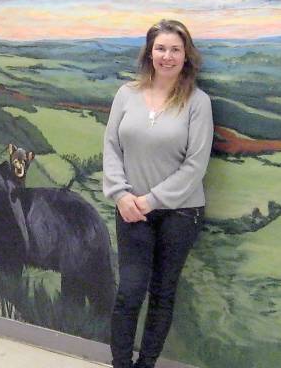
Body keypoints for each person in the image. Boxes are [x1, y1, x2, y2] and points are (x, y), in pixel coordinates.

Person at [102, 19, 214, 368]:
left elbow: (195, 165)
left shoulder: (198, 102)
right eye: (161, 48)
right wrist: (120, 195)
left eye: (175, 49)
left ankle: (145, 364)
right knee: (129, 293)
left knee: (162, 294)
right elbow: (111, 146)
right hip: (130, 208)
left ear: (186, 56)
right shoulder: (126, 94)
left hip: (180, 214)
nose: (167, 56)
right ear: (150, 53)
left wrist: (150, 201)